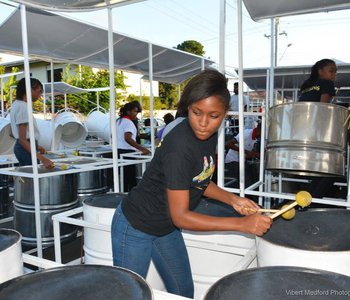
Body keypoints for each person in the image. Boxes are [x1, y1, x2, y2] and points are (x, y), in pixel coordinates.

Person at [111, 69, 272, 298]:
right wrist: (241, 224)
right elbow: (181, 216)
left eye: (214, 116)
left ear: (225, 113)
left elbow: (199, 180)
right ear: (188, 107)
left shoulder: (208, 136)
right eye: (197, 112)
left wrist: (233, 199)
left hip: (165, 227)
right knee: (131, 294)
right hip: (136, 225)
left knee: (183, 290)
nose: (204, 123)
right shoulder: (180, 146)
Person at [298, 59, 338, 198]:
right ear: (320, 71)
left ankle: (308, 198)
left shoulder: (307, 85)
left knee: (319, 169)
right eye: (331, 70)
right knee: (332, 170)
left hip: (303, 131)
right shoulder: (327, 83)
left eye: (335, 72)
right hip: (318, 130)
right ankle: (313, 200)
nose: (334, 74)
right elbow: (323, 108)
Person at [10, 78, 53, 168]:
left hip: (23, 147)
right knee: (32, 180)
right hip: (24, 148)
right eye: (39, 91)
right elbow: (22, 140)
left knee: (26, 178)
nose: (40, 95)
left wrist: (36, 145)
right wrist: (43, 159)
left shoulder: (16, 104)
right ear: (29, 90)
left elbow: (12, 133)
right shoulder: (23, 107)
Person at [116, 102, 151, 192]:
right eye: (135, 111)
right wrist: (142, 149)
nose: (136, 114)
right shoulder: (128, 123)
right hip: (127, 153)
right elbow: (127, 138)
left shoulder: (118, 121)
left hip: (118, 151)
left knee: (123, 178)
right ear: (128, 111)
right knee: (130, 178)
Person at [225, 123, 261, 189]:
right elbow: (228, 144)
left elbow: (248, 154)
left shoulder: (256, 139)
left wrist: (253, 154)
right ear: (258, 129)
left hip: (241, 161)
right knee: (248, 182)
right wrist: (247, 152)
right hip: (232, 161)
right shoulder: (246, 133)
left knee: (254, 176)